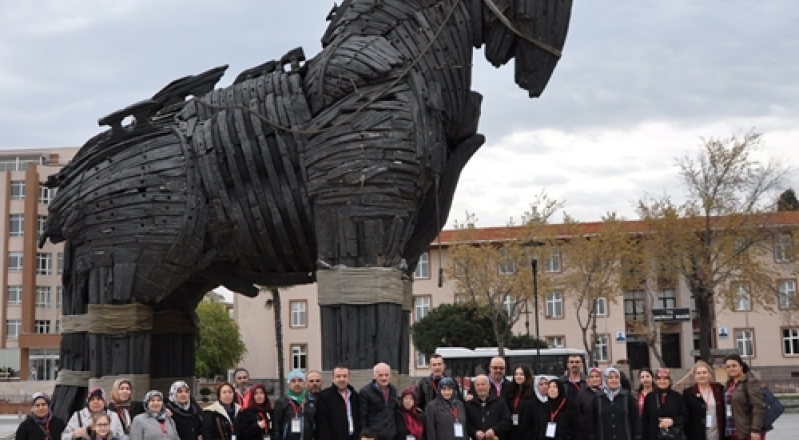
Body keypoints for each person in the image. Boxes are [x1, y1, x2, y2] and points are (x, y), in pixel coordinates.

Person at [588, 367, 640, 440]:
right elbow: (592, 423)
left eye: (616, 377)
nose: (614, 380)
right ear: (605, 380)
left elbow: (635, 420)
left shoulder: (627, 396)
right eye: (610, 378)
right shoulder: (598, 398)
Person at [723, 354, 766, 440]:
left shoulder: (750, 382)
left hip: (747, 431)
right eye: (728, 367)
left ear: (741, 366)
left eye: (734, 366)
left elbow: (759, 407)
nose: (731, 369)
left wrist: (756, 429)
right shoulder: (729, 384)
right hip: (732, 430)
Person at [316, 364, 361, 440]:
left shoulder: (355, 395)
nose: (342, 379)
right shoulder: (324, 396)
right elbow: (322, 424)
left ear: (349, 378)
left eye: (345, 376)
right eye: (338, 376)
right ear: (333, 378)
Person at [641, 368, 687, 440]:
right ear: (655, 381)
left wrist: (673, 421)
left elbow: (685, 416)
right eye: (659, 378)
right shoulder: (650, 397)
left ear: (670, 381)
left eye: (665, 378)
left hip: (674, 436)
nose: (662, 381)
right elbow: (645, 420)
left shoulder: (677, 396)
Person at [683, 360, 725, 440]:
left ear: (710, 374)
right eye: (698, 373)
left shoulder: (719, 389)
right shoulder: (688, 393)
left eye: (704, 372)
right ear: (694, 376)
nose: (702, 375)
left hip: (717, 433)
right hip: (697, 435)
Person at [273, 369, 316, 440]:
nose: (297, 384)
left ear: (304, 383)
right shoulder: (281, 402)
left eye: (300, 380)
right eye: (293, 381)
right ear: (289, 384)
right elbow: (276, 427)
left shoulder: (311, 401)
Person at [359, 363, 398, 440]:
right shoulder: (365, 392)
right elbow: (362, 417)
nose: (384, 378)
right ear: (374, 376)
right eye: (381, 375)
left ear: (390, 376)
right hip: (374, 436)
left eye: (386, 375)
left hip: (391, 435)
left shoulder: (393, 390)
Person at [466, 375, 511, 440]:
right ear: (474, 388)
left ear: (489, 386)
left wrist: (494, 430)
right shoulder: (469, 404)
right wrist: (475, 432)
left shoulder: (500, 402)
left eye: (483, 384)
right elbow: (466, 424)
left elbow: (507, 421)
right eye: (478, 385)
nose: (480, 387)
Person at [505, 366, 535, 440]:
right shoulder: (511, 390)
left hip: (528, 432)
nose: (518, 376)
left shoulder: (533, 391)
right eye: (516, 374)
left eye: (521, 374)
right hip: (512, 430)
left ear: (527, 376)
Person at [576, 367, 603, 433]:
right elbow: (578, 414)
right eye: (592, 377)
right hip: (588, 432)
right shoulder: (581, 395)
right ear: (588, 379)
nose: (595, 379)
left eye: (597, 376)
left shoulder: (606, 393)